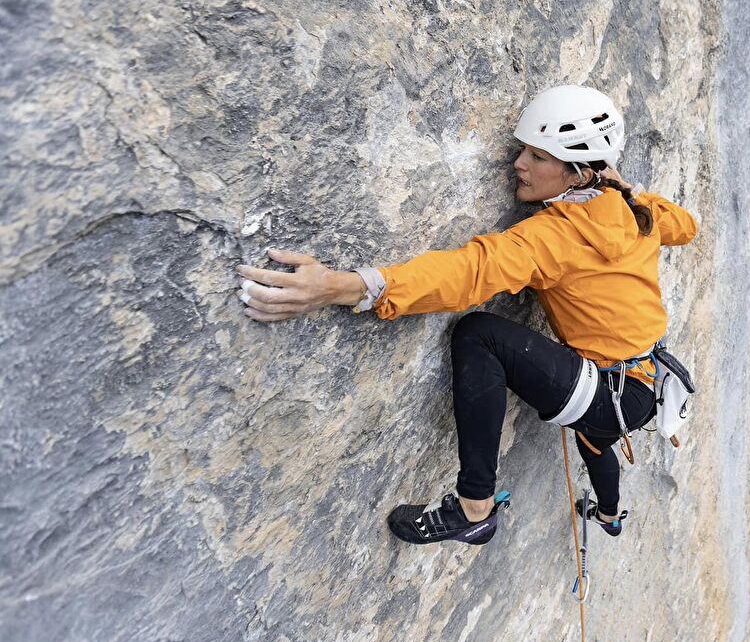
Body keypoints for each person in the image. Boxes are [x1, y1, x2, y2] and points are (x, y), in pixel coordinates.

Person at [234, 85, 699, 546]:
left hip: (609, 392)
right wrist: (627, 188)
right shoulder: (636, 211)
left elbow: (468, 272)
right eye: (524, 150)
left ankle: (474, 509)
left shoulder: (555, 237)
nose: (518, 163)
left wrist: (345, 286)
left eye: (538, 157)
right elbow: (687, 226)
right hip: (641, 381)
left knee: (481, 337)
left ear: (578, 174)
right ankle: (611, 516)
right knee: (596, 440)